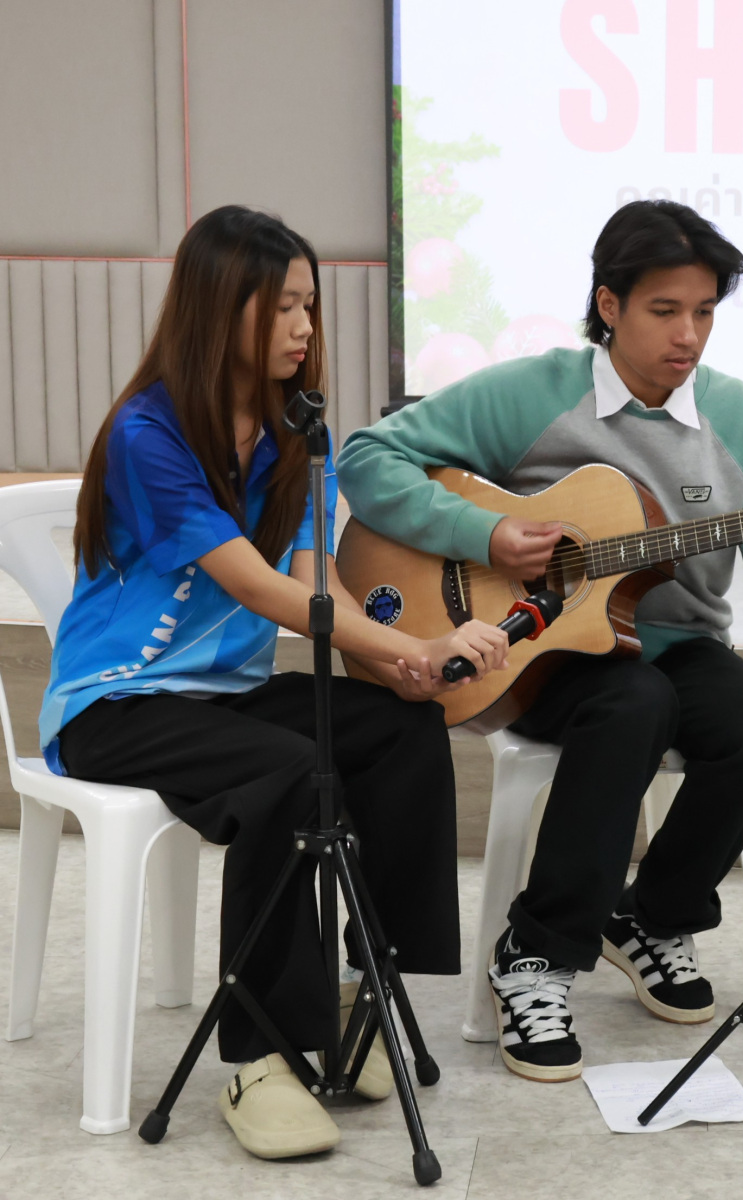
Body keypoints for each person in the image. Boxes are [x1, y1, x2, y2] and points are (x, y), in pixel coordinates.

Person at [337, 200, 743, 1083]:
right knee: (633, 706)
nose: (689, 335)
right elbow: (366, 458)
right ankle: (535, 956)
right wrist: (487, 536)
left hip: (680, 642)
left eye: (705, 312)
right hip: (542, 650)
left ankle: (650, 916)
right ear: (609, 305)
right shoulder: (533, 393)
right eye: (665, 310)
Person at [40, 206, 510, 1161]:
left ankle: (364, 990)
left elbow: (318, 584)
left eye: (309, 305)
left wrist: (408, 662)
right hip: (117, 704)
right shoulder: (148, 433)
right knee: (289, 771)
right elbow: (259, 587)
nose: (304, 326)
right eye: (283, 306)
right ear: (221, 309)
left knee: (397, 730)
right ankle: (257, 1056)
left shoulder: (296, 432)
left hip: (226, 696)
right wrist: (413, 644)